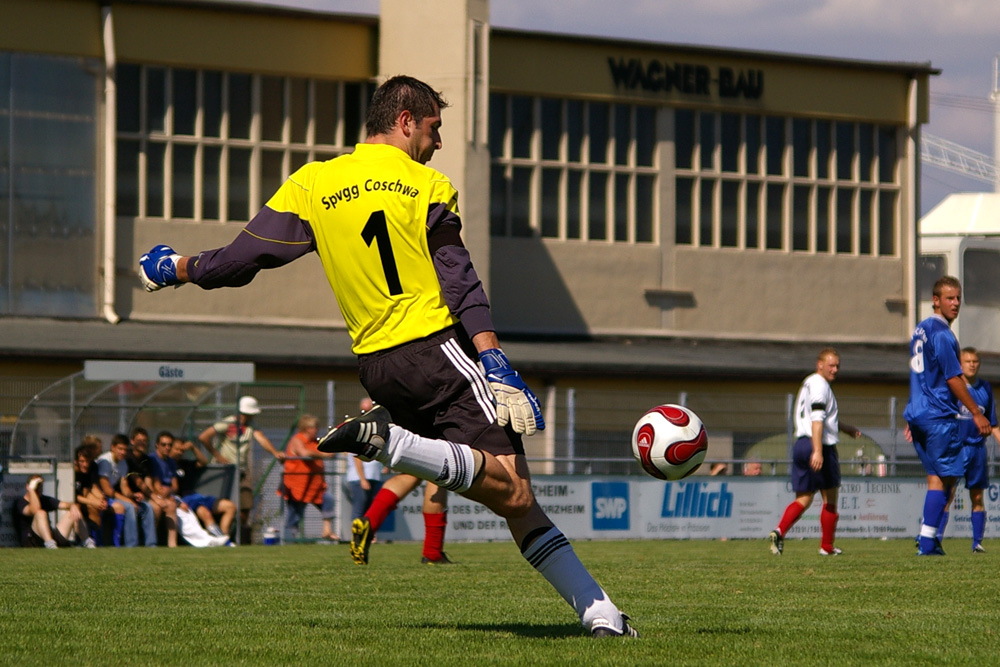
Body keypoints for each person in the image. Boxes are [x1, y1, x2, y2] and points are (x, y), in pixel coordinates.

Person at [139, 75, 635, 637]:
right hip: (440, 352)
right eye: (434, 128)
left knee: (514, 500)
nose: (438, 141)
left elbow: (239, 261)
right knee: (516, 490)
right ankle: (390, 443)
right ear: (405, 120)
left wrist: (176, 267)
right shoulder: (426, 184)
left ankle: (601, 616)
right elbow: (460, 280)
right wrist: (492, 356)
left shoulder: (313, 182)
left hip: (377, 366)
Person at [904, 276, 991, 557]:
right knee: (948, 479)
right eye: (949, 298)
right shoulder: (942, 334)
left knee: (936, 478)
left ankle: (927, 538)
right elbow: (953, 378)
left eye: (958, 298)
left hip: (918, 414)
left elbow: (922, 375)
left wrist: (913, 414)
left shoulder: (921, 329)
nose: (955, 303)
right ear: (935, 300)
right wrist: (977, 413)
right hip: (938, 415)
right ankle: (927, 541)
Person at [769, 348, 861, 556]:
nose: (835, 369)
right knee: (830, 498)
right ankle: (827, 547)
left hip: (801, 443)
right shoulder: (820, 386)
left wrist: (846, 429)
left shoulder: (808, 383)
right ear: (819, 364)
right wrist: (818, 451)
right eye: (831, 365)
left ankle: (779, 531)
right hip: (817, 445)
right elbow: (817, 420)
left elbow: (821, 419)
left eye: (837, 366)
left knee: (804, 498)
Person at [347, 397, 451, 565]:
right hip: (432, 409)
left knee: (412, 474)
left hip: (404, 410)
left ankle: (370, 521)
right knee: (439, 469)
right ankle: (432, 552)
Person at [197, 395, 286, 541]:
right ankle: (220, 537)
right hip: (224, 472)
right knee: (221, 505)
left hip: (242, 472)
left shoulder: (252, 427)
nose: (248, 417)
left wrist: (275, 452)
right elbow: (203, 437)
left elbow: (262, 438)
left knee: (245, 506)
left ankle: (236, 537)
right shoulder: (227, 422)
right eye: (246, 414)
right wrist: (218, 456)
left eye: (250, 415)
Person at [936, 347, 999, 552]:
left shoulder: (985, 388)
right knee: (947, 494)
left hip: (977, 449)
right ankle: (936, 539)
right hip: (956, 448)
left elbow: (993, 423)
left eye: (975, 361)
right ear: (960, 364)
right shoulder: (953, 387)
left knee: (977, 497)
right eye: (968, 361)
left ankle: (977, 543)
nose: (972, 364)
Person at [280, 413, 339, 541]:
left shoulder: (316, 441)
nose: (317, 429)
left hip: (316, 485)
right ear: (307, 428)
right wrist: (323, 455)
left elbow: (328, 450)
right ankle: (289, 539)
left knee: (328, 501)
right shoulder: (297, 440)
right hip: (298, 485)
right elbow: (304, 453)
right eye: (315, 427)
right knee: (295, 514)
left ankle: (327, 531)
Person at [170, 436, 237, 541]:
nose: (179, 452)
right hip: (184, 499)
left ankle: (224, 535)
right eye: (176, 449)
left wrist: (193, 447)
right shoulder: (167, 465)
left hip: (196, 496)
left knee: (230, 506)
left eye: (181, 450)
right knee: (205, 513)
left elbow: (203, 462)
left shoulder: (186, 464)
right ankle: (223, 540)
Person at [96, 434, 156, 547]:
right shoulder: (105, 461)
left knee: (147, 507)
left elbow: (124, 487)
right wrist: (129, 501)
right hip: (102, 497)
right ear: (112, 447)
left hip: (114, 496)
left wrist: (133, 495)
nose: (123, 452)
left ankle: (151, 544)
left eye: (125, 449)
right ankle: (131, 545)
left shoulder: (123, 463)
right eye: (120, 449)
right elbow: (108, 490)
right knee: (129, 507)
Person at [13, 475, 95, 549]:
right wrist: (31, 490)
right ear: (28, 487)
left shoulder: (44, 499)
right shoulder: (20, 503)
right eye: (36, 486)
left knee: (73, 511)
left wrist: (73, 506)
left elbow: (65, 504)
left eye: (40, 486)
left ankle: (87, 542)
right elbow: (35, 509)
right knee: (40, 513)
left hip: (50, 537)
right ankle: (50, 544)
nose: (39, 489)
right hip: (32, 542)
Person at [74, 443, 122, 546]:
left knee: (110, 506)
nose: (85, 464)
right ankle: (84, 541)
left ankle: (110, 543)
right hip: (74, 502)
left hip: (85, 496)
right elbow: (75, 497)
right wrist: (93, 502)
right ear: (76, 462)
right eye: (82, 461)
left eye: (87, 461)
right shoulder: (72, 473)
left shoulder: (92, 468)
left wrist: (102, 499)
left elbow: (93, 486)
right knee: (89, 507)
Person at [146, 430, 181, 547]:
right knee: (156, 508)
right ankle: (151, 542)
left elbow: (175, 486)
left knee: (171, 506)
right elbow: (154, 485)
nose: (167, 447)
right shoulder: (152, 459)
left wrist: (169, 491)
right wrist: (161, 494)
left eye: (169, 445)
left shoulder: (171, 462)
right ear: (157, 445)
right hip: (152, 495)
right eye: (164, 444)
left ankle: (172, 544)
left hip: (167, 496)